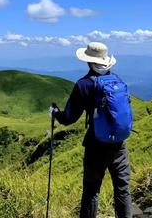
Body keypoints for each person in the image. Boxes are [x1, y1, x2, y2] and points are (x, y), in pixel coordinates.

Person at [52, 42, 132, 218]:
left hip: (96, 143)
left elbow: (69, 118)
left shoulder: (84, 84)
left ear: (88, 61)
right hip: (119, 142)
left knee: (91, 190)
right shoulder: (117, 80)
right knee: (123, 188)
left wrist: (56, 113)